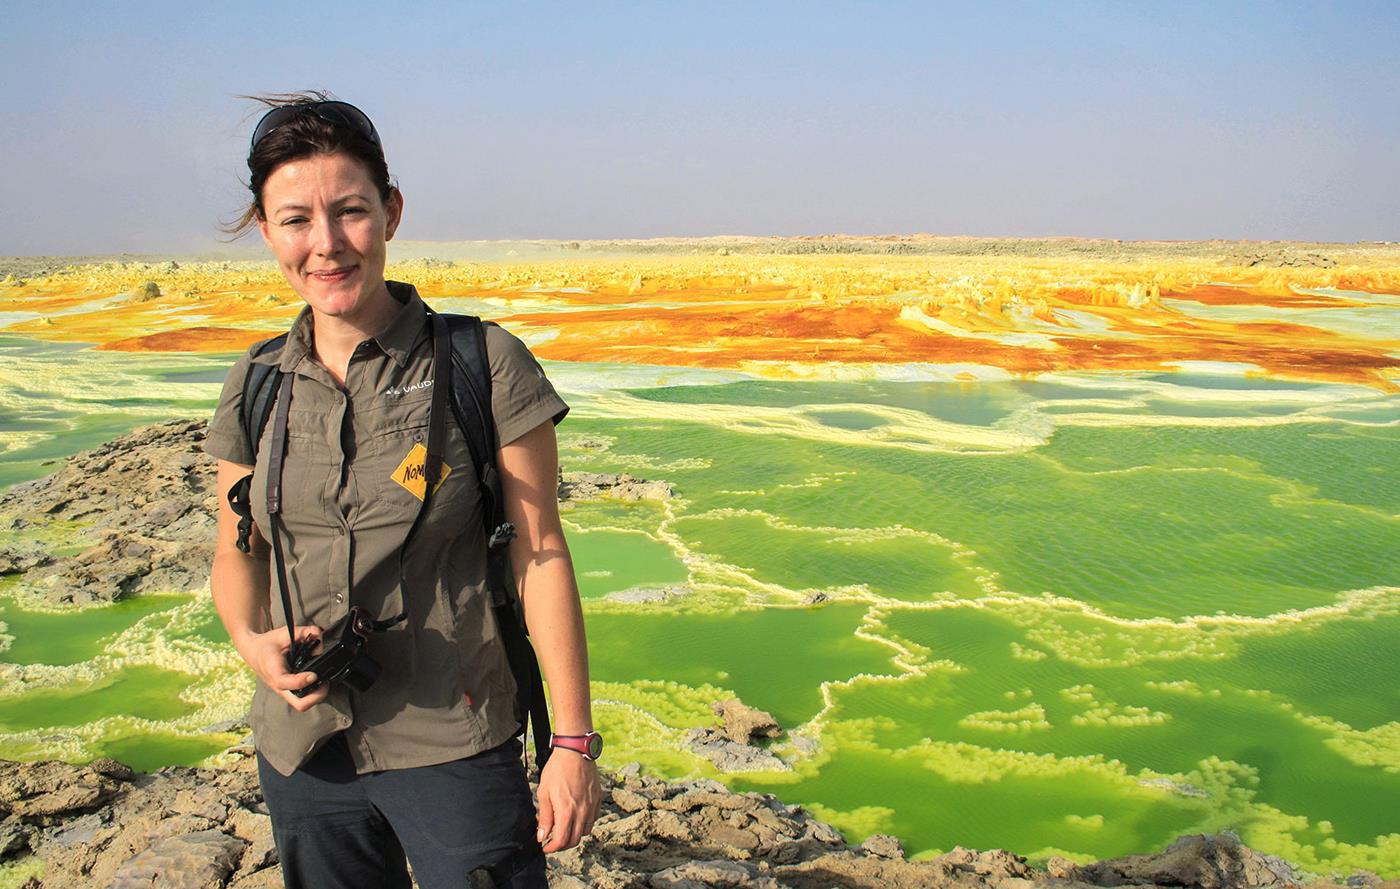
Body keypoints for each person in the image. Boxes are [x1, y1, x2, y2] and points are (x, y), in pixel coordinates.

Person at [205, 93, 601, 889]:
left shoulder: (481, 363)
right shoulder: (256, 384)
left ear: (390, 210)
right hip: (303, 748)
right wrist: (252, 645)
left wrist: (572, 743)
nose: (326, 245)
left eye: (350, 211)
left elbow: (542, 552)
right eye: (295, 220)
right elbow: (234, 550)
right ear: (264, 229)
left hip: (452, 738)